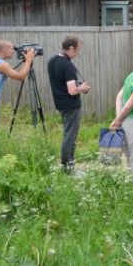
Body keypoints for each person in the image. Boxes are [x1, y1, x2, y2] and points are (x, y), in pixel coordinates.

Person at [47, 36, 91, 173]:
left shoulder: (52, 60)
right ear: (70, 48)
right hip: (71, 105)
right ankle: (68, 169)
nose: (78, 53)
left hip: (60, 103)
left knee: (68, 135)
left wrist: (77, 85)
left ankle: (67, 166)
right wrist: (83, 88)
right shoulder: (67, 65)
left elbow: (61, 83)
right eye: (77, 50)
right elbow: (72, 91)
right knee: (70, 137)